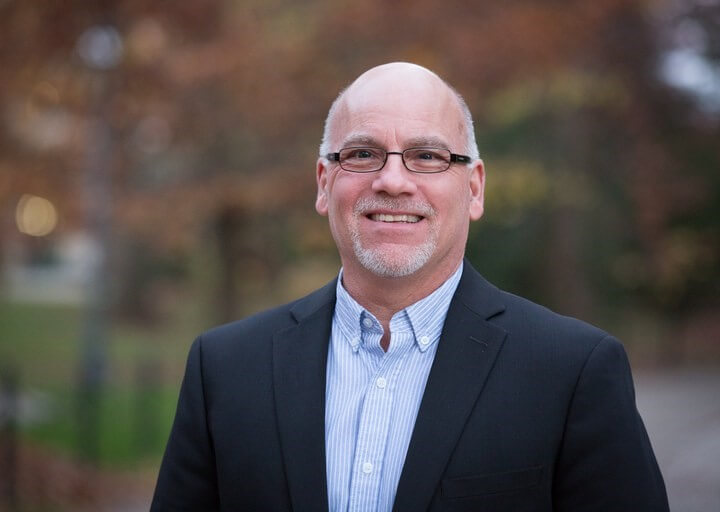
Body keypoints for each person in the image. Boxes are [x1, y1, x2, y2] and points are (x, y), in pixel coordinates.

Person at [151, 62, 669, 512]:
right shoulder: (224, 368)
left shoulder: (572, 371)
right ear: (323, 182)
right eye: (361, 154)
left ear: (474, 187)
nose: (393, 181)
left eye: (427, 156)